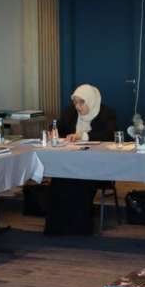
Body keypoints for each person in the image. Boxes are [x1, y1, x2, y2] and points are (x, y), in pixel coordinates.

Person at [44, 84, 116, 235]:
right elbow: (57, 126)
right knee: (58, 181)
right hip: (70, 163)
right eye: (75, 102)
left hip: (96, 165)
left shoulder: (106, 114)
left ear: (91, 100)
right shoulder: (70, 112)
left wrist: (83, 136)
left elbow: (109, 135)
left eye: (81, 102)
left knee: (81, 183)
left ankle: (79, 228)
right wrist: (52, 131)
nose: (77, 106)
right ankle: (57, 228)